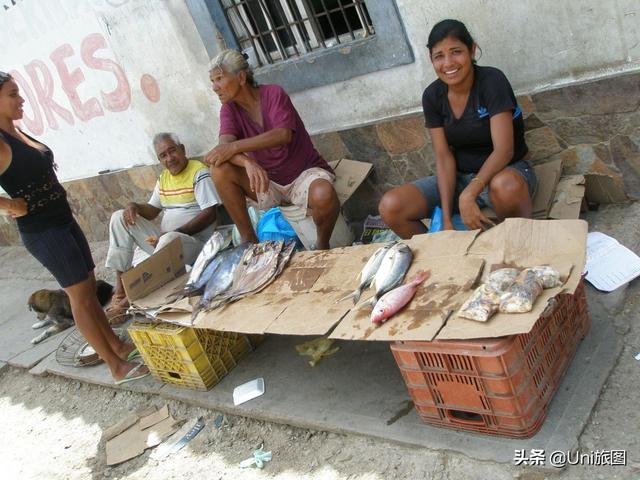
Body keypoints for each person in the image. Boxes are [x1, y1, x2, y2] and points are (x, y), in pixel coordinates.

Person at [0, 71, 149, 384]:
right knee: (79, 300)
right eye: (13, 94)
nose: (21, 98)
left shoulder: (15, 132)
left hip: (62, 220)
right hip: (44, 232)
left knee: (90, 293)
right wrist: (8, 205)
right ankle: (116, 367)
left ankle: (117, 346)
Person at [379, 19, 537, 238]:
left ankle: (519, 244)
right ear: (431, 60)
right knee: (391, 205)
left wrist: (469, 194)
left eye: (456, 52)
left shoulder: (492, 81)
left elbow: (504, 150)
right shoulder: (432, 96)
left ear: (472, 50)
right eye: (439, 56)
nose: (449, 63)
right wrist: (445, 219)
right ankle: (439, 258)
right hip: (461, 178)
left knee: (504, 186)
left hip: (507, 171)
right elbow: (444, 158)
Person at [204, 49, 340, 250]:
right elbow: (224, 148)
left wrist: (234, 147)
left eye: (219, 79)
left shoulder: (273, 93)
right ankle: (250, 242)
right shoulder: (229, 109)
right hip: (267, 180)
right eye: (212, 81)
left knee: (323, 194)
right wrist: (247, 162)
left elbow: (283, 134)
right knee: (219, 169)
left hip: (303, 174)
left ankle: (321, 246)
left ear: (241, 77)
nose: (215, 87)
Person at [105, 132, 221, 319]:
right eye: (163, 156)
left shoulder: (199, 172)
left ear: (182, 150)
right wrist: (134, 206)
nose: (169, 159)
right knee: (119, 217)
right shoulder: (164, 178)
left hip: (196, 244)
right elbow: (152, 210)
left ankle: (130, 303)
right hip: (165, 244)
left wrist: (176, 232)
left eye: (172, 151)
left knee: (169, 238)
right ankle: (120, 291)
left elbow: (210, 214)